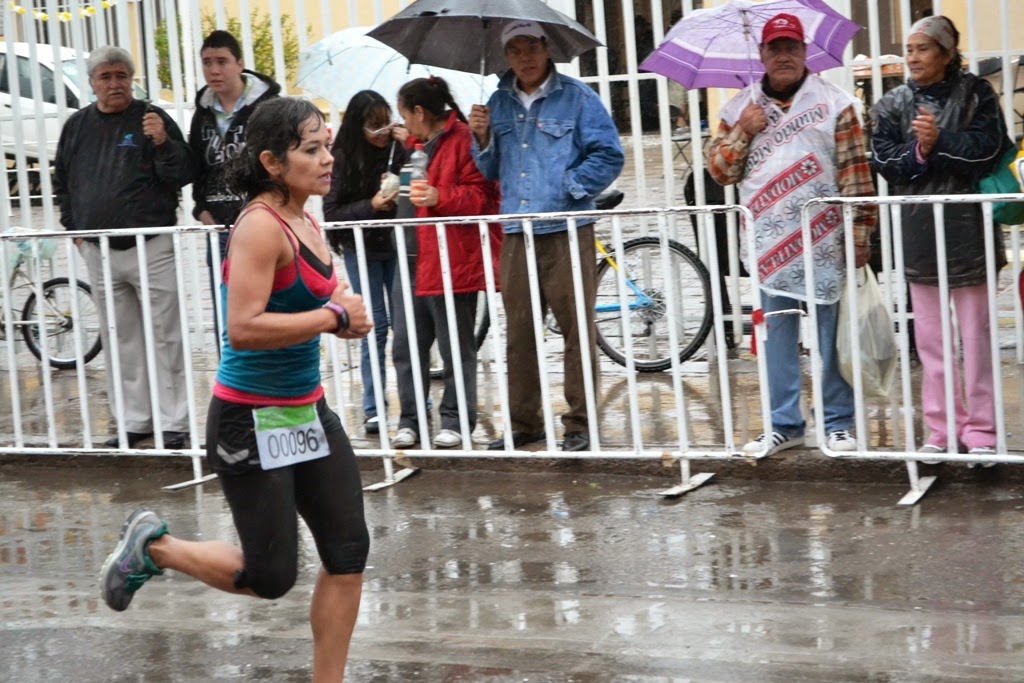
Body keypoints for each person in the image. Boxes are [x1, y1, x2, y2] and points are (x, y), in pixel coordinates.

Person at [98, 97, 373, 682]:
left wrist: (341, 306)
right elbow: (243, 328)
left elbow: (309, 299)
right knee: (270, 577)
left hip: (306, 411)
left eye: (327, 145)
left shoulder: (305, 217)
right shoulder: (258, 226)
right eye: (312, 149)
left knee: (348, 554)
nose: (328, 158)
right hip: (248, 418)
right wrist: (332, 318)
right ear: (272, 162)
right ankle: (155, 547)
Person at [707, 13, 878, 455]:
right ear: (762, 54)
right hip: (769, 244)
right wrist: (743, 131)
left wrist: (859, 234)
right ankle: (784, 423)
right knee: (776, 336)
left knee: (832, 336)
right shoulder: (739, 109)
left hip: (827, 240)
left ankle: (837, 422)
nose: (784, 56)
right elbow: (720, 172)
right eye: (775, 48)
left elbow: (856, 174)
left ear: (805, 52)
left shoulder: (836, 104)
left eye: (792, 47)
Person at [469, 21, 624, 453]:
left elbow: (610, 154)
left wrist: (569, 186)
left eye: (531, 47)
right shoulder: (496, 103)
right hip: (517, 230)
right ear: (506, 56)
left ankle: (580, 424)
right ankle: (525, 423)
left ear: (546, 48)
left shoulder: (578, 97)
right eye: (514, 49)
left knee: (577, 331)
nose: (525, 57)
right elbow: (489, 170)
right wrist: (481, 138)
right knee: (519, 334)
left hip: (567, 229)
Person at [870, 15, 1009, 461]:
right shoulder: (892, 103)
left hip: (969, 230)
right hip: (919, 231)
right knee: (930, 340)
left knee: (977, 337)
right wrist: (919, 151)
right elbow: (884, 161)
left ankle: (982, 432)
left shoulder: (977, 95)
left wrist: (941, 139)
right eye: (909, 49)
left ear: (948, 54)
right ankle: (942, 428)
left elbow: (989, 150)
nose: (913, 57)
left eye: (923, 48)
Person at [53, 46, 194, 449]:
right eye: (106, 77)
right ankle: (134, 421)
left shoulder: (152, 118)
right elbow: (63, 182)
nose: (115, 84)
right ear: (92, 83)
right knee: (120, 337)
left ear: (131, 79)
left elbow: (183, 173)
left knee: (166, 335)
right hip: (98, 249)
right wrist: (75, 231)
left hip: (151, 245)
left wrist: (163, 142)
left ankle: (175, 422)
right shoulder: (77, 126)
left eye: (121, 76)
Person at [390, 76, 502, 449]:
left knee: (455, 345)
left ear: (420, 112)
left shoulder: (463, 140)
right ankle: (410, 419)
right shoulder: (415, 146)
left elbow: (482, 197)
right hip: (408, 258)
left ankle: (455, 419)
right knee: (406, 345)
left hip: (447, 259)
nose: (404, 123)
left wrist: (441, 196)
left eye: (405, 114)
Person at [189, 30, 281, 348]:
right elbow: (197, 166)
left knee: (269, 303)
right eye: (207, 62)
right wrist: (201, 208)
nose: (214, 70)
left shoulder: (267, 108)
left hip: (261, 223)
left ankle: (271, 371)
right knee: (226, 311)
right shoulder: (202, 113)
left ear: (240, 64)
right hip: (220, 226)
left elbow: (282, 161)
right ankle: (231, 371)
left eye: (222, 62)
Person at [323, 90, 407, 436]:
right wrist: (371, 205)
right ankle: (373, 407)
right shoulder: (341, 157)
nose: (383, 132)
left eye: (387, 123)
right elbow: (331, 213)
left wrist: (411, 147)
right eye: (375, 126)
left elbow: (420, 184)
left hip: (396, 244)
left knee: (405, 323)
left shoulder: (398, 149)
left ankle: (413, 400)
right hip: (360, 247)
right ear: (358, 126)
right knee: (376, 324)